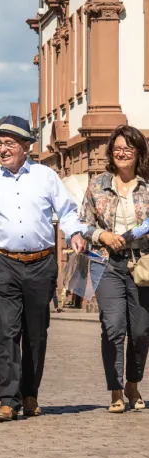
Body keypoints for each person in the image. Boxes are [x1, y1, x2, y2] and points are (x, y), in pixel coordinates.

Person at [0, 116, 87, 422]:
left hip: (41, 264)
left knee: (35, 334)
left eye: (9, 144)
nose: (2, 149)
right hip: (4, 263)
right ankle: (8, 399)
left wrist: (75, 233)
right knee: (7, 331)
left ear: (26, 146)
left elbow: (67, 211)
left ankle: (30, 394)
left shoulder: (46, 177)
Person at [78, 125, 149, 413]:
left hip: (142, 264)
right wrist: (102, 235)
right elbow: (82, 224)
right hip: (107, 263)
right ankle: (116, 390)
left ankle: (133, 383)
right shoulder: (97, 185)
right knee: (113, 327)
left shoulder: (147, 186)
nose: (122, 153)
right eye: (117, 148)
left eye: (128, 148)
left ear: (138, 152)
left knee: (141, 330)